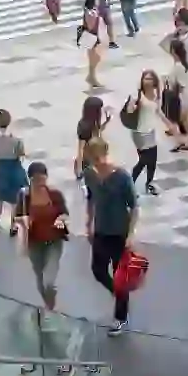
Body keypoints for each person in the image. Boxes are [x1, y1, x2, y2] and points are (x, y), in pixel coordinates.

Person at [84, 137, 138, 337]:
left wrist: (131, 234)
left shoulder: (122, 176)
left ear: (106, 154)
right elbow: (90, 198)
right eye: (92, 159)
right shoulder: (90, 175)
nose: (96, 163)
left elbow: (134, 207)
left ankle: (121, 317)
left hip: (119, 232)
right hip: (100, 229)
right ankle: (119, 295)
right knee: (98, 269)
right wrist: (88, 223)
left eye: (98, 158)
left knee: (119, 275)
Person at [16, 162, 68, 320]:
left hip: (54, 241)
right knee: (39, 278)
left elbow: (65, 213)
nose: (40, 182)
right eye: (36, 179)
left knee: (48, 280)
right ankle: (49, 306)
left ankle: (50, 306)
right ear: (30, 179)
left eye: (43, 179)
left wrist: (60, 218)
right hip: (34, 243)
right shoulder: (24, 197)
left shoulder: (55, 194)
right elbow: (17, 217)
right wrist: (24, 221)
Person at [0, 109, 26, 236]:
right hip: (13, 168)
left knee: (0, 196)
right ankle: (13, 225)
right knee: (14, 199)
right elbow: (21, 154)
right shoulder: (16, 140)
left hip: (0, 167)